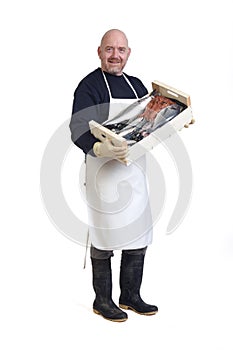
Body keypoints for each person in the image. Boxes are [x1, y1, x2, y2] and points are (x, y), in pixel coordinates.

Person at [69, 29, 158, 322]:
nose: (115, 55)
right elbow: (77, 128)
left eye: (121, 49)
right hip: (103, 174)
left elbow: (147, 124)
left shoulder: (137, 86)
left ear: (128, 53)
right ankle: (102, 300)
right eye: (109, 49)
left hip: (134, 173)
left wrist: (173, 122)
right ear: (99, 52)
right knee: (104, 235)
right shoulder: (89, 86)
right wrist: (99, 148)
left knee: (139, 232)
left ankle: (130, 296)